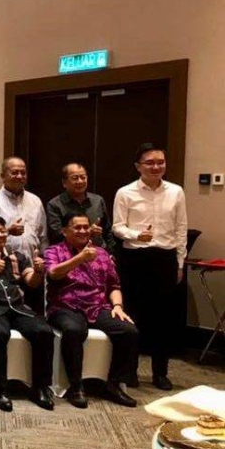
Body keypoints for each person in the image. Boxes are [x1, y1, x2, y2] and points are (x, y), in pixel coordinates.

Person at [112, 143, 188, 390]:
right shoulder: (125, 192)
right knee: (133, 316)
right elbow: (117, 227)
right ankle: (129, 372)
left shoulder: (176, 192)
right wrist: (135, 235)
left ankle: (160, 372)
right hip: (135, 259)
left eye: (160, 162)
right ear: (138, 166)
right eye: (150, 163)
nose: (156, 167)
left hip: (165, 259)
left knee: (164, 318)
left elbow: (181, 229)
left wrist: (179, 263)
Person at [44, 213, 138, 408]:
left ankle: (113, 385)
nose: (83, 231)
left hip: (98, 305)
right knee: (74, 330)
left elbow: (114, 286)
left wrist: (118, 307)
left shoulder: (102, 253)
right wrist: (79, 258)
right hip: (65, 305)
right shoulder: (54, 251)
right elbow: (53, 273)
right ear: (64, 231)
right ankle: (76, 386)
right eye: (77, 227)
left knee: (128, 330)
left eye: (86, 227)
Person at [0, 216, 54, 412]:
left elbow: (31, 281)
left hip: (18, 308)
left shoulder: (17, 257)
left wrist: (39, 271)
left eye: (2, 230)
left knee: (44, 331)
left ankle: (40, 387)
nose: (0, 235)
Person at [0, 157, 47, 261]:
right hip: (3, 265)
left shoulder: (35, 201)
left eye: (23, 173)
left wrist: (44, 261)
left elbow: (43, 236)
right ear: (2, 176)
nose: (20, 176)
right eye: (15, 172)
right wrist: (7, 231)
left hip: (33, 263)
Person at [45, 162, 115, 251]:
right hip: (69, 256)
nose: (80, 181)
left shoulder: (98, 200)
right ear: (64, 182)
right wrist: (88, 232)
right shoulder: (55, 204)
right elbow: (57, 235)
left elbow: (107, 231)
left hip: (98, 254)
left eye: (83, 177)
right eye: (75, 178)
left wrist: (110, 253)